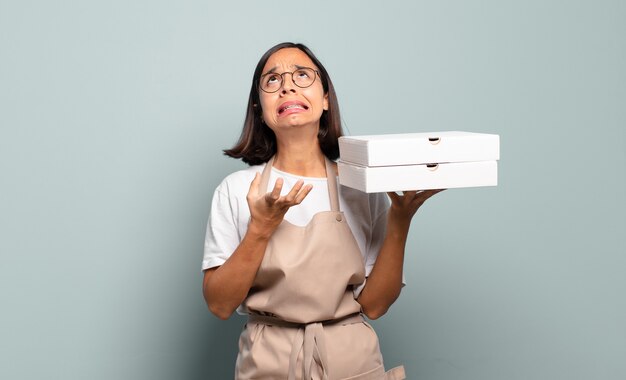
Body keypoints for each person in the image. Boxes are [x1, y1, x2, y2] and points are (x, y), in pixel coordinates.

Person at [202, 42, 442, 379]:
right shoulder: (237, 190)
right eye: (272, 80)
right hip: (268, 362)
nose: (287, 85)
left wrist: (400, 221)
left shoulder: (361, 186)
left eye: (302, 75)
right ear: (259, 108)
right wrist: (261, 228)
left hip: (351, 360)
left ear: (326, 98)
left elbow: (375, 305)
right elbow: (219, 304)